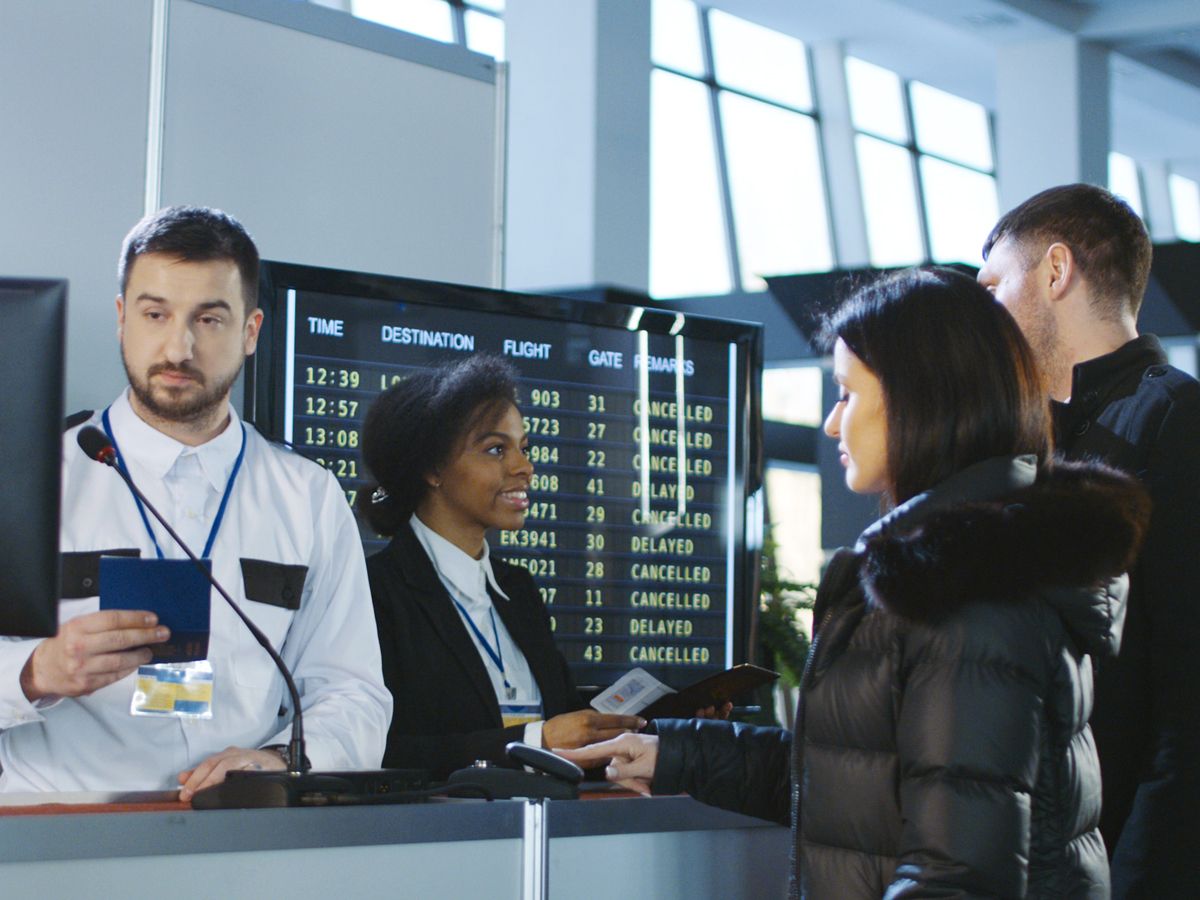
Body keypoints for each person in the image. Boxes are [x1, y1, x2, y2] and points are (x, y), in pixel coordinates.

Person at [561, 268, 1149, 898]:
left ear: (919, 397)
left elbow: (959, 877)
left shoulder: (967, 593)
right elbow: (857, 784)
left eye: (847, 394)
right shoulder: (967, 567)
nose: (832, 425)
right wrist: (670, 751)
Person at [0, 206, 391, 799]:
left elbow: (353, 692)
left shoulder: (307, 496)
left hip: (238, 831)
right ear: (121, 318)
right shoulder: (25, 479)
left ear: (251, 331)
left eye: (208, 319)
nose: (178, 347)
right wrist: (35, 673)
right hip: (58, 836)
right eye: (155, 313)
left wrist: (282, 759)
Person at [978, 184, 1200, 896]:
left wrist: (1140, 880)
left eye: (993, 285)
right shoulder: (1033, 440)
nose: (985, 315)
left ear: (1054, 270)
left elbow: (1186, 700)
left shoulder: (1174, 421)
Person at [361, 355, 644, 779]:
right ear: (432, 469)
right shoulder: (375, 591)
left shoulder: (518, 589)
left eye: (524, 449)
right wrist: (534, 743)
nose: (524, 468)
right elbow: (377, 748)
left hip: (544, 827)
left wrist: (653, 720)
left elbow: (564, 721)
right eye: (496, 450)